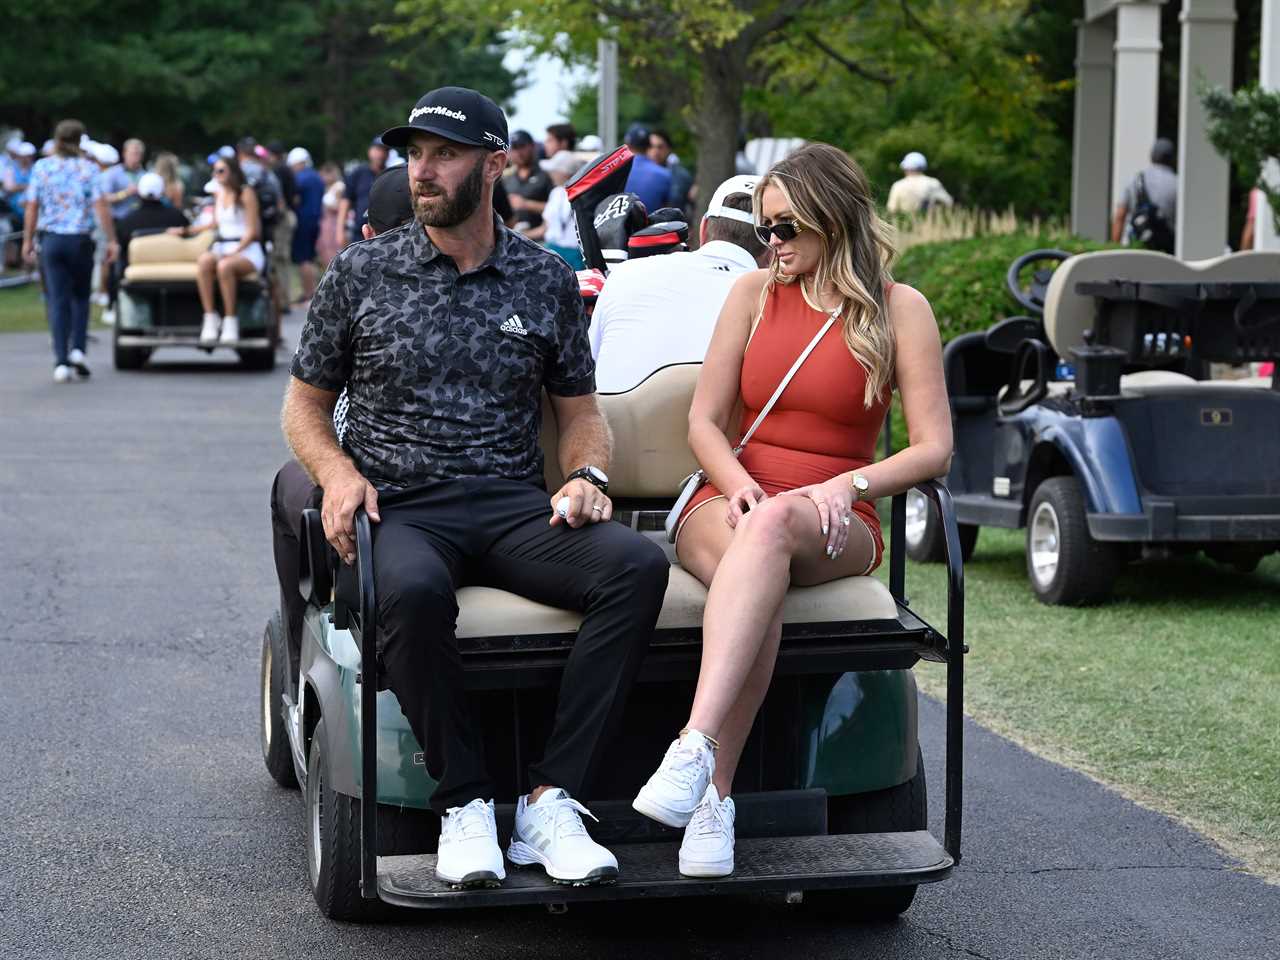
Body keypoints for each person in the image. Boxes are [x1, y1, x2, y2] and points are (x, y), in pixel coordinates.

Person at [282, 85, 668, 890]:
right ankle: (463, 803)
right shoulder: (361, 272)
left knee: (634, 567)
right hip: (400, 508)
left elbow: (580, 416)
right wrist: (338, 472)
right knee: (411, 591)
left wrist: (588, 475)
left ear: (494, 165)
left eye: (443, 154)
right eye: (414, 154)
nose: (421, 171)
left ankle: (550, 799)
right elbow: (304, 406)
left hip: (509, 506)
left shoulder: (543, 279)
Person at [630, 143, 952, 879]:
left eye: (785, 229)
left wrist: (852, 487)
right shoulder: (749, 295)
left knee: (773, 531)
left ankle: (695, 746)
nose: (769, 243)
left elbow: (935, 449)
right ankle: (712, 801)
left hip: (836, 513)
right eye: (764, 228)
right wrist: (737, 479)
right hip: (728, 494)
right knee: (759, 555)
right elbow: (704, 424)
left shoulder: (901, 310)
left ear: (833, 222)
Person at [589, 175, 771, 392]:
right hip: (721, 425)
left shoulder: (625, 273)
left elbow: (588, 366)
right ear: (772, 250)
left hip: (616, 424)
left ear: (703, 229)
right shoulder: (778, 301)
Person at [21, 119, 119, 382]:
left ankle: (61, 360)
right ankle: (78, 348)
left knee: (57, 299)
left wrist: (27, 240)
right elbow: (100, 207)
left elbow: (32, 205)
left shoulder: (43, 167)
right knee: (80, 297)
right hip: (79, 238)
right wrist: (112, 239)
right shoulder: (88, 169)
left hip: (51, 239)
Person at [170, 155, 263, 345]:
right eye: (215, 171)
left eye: (221, 170)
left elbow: (252, 231)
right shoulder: (218, 193)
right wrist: (187, 230)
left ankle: (230, 319)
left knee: (224, 266)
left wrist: (236, 250)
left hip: (246, 249)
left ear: (232, 172)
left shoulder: (246, 193)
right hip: (224, 246)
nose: (216, 175)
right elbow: (214, 223)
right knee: (204, 261)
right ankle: (210, 316)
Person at [1112, 138, 1176, 252]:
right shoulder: (1177, 183)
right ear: (1172, 158)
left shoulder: (1135, 180)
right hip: (1166, 252)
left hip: (1137, 248)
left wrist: (1114, 248)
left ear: (1151, 156)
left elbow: (1120, 216)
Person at [527, 149, 583, 267]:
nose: (551, 173)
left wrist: (520, 234)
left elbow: (544, 228)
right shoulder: (557, 192)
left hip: (569, 255)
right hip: (558, 252)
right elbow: (545, 228)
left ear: (564, 173)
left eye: (554, 170)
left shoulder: (570, 194)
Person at [334, 137, 389, 249]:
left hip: (384, 234)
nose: (380, 154)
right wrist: (340, 230)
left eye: (384, 150)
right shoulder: (358, 173)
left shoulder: (390, 175)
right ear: (370, 151)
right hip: (359, 232)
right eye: (377, 150)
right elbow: (345, 201)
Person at [288, 147, 325, 303]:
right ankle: (312, 292)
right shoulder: (317, 177)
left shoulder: (300, 178)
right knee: (310, 257)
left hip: (303, 220)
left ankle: (309, 294)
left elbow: (295, 199)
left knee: (304, 259)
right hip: (316, 220)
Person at [503, 129, 551, 235]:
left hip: (540, 240)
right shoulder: (504, 178)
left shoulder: (547, 175)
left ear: (532, 146)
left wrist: (526, 204)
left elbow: (559, 208)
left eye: (522, 146)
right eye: (514, 148)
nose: (518, 153)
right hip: (510, 239)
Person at [622, 125, 671, 214]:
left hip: (619, 226)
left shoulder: (615, 172)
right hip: (652, 226)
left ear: (627, 145)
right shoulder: (665, 175)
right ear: (649, 146)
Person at [885, 151, 953, 216]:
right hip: (929, 224)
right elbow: (948, 202)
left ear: (905, 167)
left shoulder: (898, 185)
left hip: (906, 224)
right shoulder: (933, 183)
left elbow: (891, 209)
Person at [648, 129, 693, 214]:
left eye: (660, 147)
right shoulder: (639, 176)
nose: (655, 151)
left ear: (668, 149)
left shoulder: (682, 176)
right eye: (651, 146)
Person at [101, 138, 145, 222]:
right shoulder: (112, 173)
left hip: (139, 220)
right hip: (119, 220)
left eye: (139, 154)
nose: (136, 157)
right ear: (124, 153)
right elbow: (104, 198)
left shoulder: (145, 175)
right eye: (133, 153)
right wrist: (126, 193)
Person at [316, 162, 344, 266]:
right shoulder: (328, 187)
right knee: (325, 248)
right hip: (326, 221)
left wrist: (327, 207)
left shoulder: (339, 187)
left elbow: (340, 206)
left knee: (333, 248)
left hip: (334, 222)